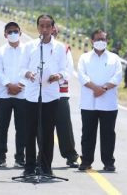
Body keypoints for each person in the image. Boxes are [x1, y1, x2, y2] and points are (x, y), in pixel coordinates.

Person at [20, 14, 67, 176]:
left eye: (48, 26)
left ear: (53, 28)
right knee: (30, 132)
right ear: (38, 27)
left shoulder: (60, 47)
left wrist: (58, 76)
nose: (45, 29)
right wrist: (29, 75)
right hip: (32, 94)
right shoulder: (30, 46)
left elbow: (65, 70)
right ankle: (29, 166)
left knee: (47, 132)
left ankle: (46, 167)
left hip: (51, 95)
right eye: (42, 25)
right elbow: (22, 68)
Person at [77, 29, 122, 171]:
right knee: (87, 134)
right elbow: (82, 76)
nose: (100, 42)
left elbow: (117, 77)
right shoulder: (84, 58)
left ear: (107, 41)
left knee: (108, 134)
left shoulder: (114, 58)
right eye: (97, 39)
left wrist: (103, 89)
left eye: (103, 39)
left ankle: (108, 162)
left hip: (108, 103)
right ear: (92, 41)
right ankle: (86, 161)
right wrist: (95, 88)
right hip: (88, 103)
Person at [0, 21, 26, 168]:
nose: (13, 34)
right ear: (5, 34)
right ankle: (1, 158)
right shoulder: (0, 51)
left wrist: (19, 85)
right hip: (4, 94)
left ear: (20, 32)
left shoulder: (27, 50)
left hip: (22, 94)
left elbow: (29, 69)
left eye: (15, 31)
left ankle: (20, 158)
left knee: (22, 128)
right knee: (2, 128)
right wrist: (8, 85)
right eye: (10, 31)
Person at [52, 25, 79, 168]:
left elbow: (68, 71)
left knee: (64, 127)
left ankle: (70, 155)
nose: (51, 31)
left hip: (60, 93)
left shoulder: (64, 49)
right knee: (42, 128)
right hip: (42, 94)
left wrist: (56, 78)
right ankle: (41, 157)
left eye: (53, 29)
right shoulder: (35, 48)